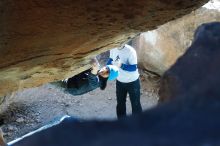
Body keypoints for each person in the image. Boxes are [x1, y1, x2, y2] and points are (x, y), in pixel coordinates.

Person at [107, 43, 142, 118]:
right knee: (120, 104)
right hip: (119, 81)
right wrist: (106, 68)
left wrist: (121, 65)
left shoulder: (130, 51)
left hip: (132, 82)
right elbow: (111, 59)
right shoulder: (113, 48)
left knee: (135, 104)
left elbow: (133, 68)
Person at [52, 58, 119, 96]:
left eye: (107, 72)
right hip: (75, 81)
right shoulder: (99, 72)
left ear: (107, 78)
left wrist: (95, 70)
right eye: (106, 68)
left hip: (71, 87)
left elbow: (92, 77)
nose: (104, 70)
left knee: (51, 79)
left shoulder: (98, 83)